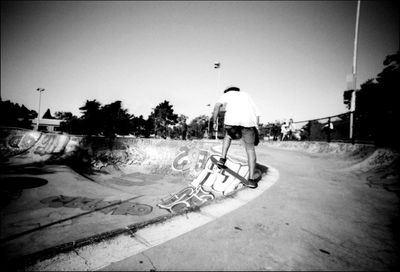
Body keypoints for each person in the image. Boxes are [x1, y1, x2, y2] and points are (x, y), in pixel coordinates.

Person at [212, 85, 261, 189]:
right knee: (250, 149)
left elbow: (216, 106)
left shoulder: (226, 94)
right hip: (249, 123)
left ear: (227, 91)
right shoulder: (246, 95)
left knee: (228, 136)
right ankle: (251, 180)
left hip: (232, 123)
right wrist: (256, 128)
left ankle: (222, 158)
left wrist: (214, 122)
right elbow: (257, 113)